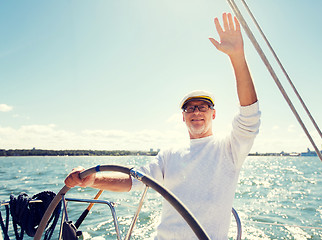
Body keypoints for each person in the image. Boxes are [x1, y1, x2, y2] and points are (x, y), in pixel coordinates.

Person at [64, 13, 260, 239]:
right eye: (190, 108)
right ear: (183, 117)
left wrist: (237, 57)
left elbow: (249, 118)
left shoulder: (229, 149)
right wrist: (93, 179)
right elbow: (134, 180)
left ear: (214, 114)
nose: (196, 111)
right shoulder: (169, 154)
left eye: (203, 107)